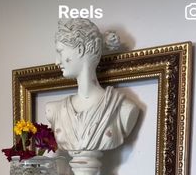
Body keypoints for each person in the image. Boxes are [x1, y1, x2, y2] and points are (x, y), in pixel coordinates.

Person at [46, 18, 139, 151]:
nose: (56, 62)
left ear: (81, 49)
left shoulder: (123, 108)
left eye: (60, 51)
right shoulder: (54, 110)